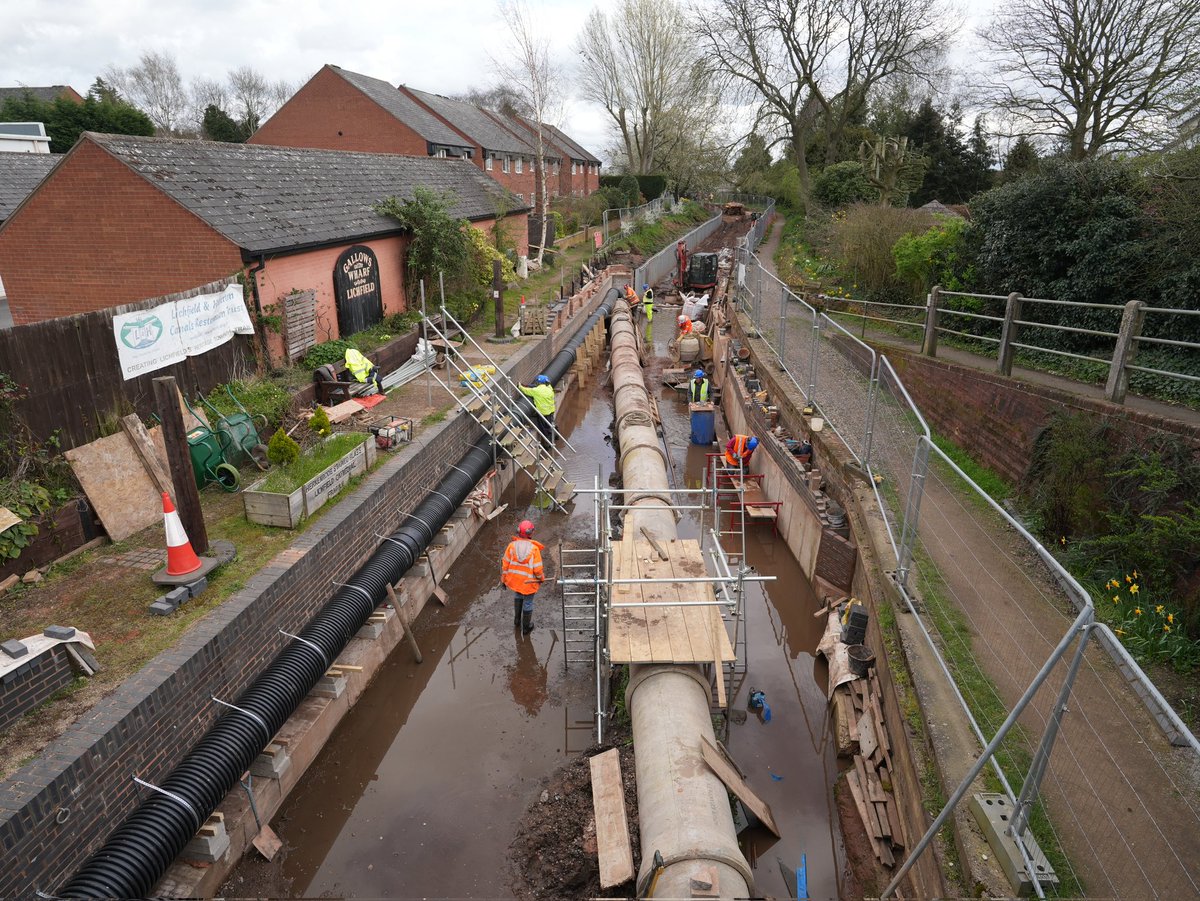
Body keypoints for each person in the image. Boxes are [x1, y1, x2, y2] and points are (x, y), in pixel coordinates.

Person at [502, 520, 545, 634]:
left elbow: (505, 564)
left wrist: (504, 579)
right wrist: (541, 578)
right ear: (531, 532)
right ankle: (526, 628)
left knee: (518, 595)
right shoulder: (534, 549)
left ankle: (517, 621)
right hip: (528, 583)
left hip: (516, 581)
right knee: (528, 602)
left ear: (518, 532)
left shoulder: (511, 546)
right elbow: (537, 569)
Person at [518, 374, 556, 445]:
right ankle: (555, 436)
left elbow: (526, 391)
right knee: (550, 425)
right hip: (550, 411)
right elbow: (537, 387)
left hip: (542, 413)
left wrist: (520, 386)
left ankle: (548, 444)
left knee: (543, 429)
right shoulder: (549, 389)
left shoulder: (536, 391)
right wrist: (528, 385)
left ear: (538, 382)